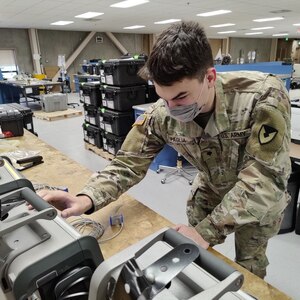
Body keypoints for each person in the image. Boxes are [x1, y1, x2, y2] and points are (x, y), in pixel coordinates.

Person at [38, 21, 291, 279]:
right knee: (196, 259)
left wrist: (207, 231)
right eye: (163, 97)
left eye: (181, 97)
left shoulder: (261, 96)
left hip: (258, 199)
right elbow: (127, 164)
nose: (172, 108)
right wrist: (86, 198)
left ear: (210, 78)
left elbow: (264, 179)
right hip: (210, 190)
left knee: (248, 269)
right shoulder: (163, 114)